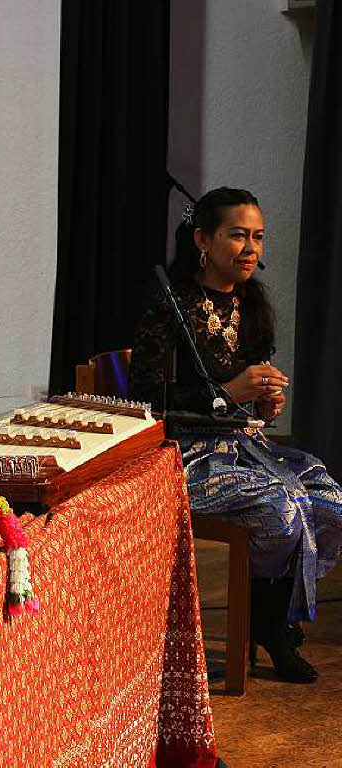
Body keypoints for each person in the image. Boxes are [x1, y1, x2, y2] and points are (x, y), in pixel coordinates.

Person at [129, 186, 342, 683]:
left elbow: (246, 397)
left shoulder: (251, 302)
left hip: (242, 446)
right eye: (238, 236)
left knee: (329, 502)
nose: (251, 249)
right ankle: (270, 622)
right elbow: (145, 399)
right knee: (281, 508)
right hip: (183, 452)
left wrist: (263, 401)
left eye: (258, 238)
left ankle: (269, 615)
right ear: (203, 239)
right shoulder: (168, 302)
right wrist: (226, 391)